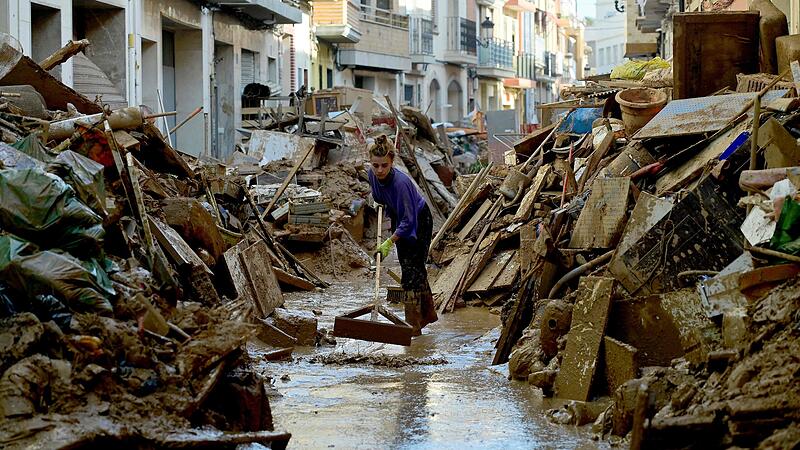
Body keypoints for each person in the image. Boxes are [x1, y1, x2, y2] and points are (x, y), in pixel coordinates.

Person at [368, 135, 438, 335]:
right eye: (376, 165)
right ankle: (428, 315)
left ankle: (413, 328)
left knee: (410, 273)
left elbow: (409, 221)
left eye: (384, 165)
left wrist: (389, 242)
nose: (380, 170)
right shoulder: (372, 174)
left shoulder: (401, 183)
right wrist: (378, 200)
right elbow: (377, 194)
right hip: (400, 217)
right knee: (412, 268)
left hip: (419, 220)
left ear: (392, 162)